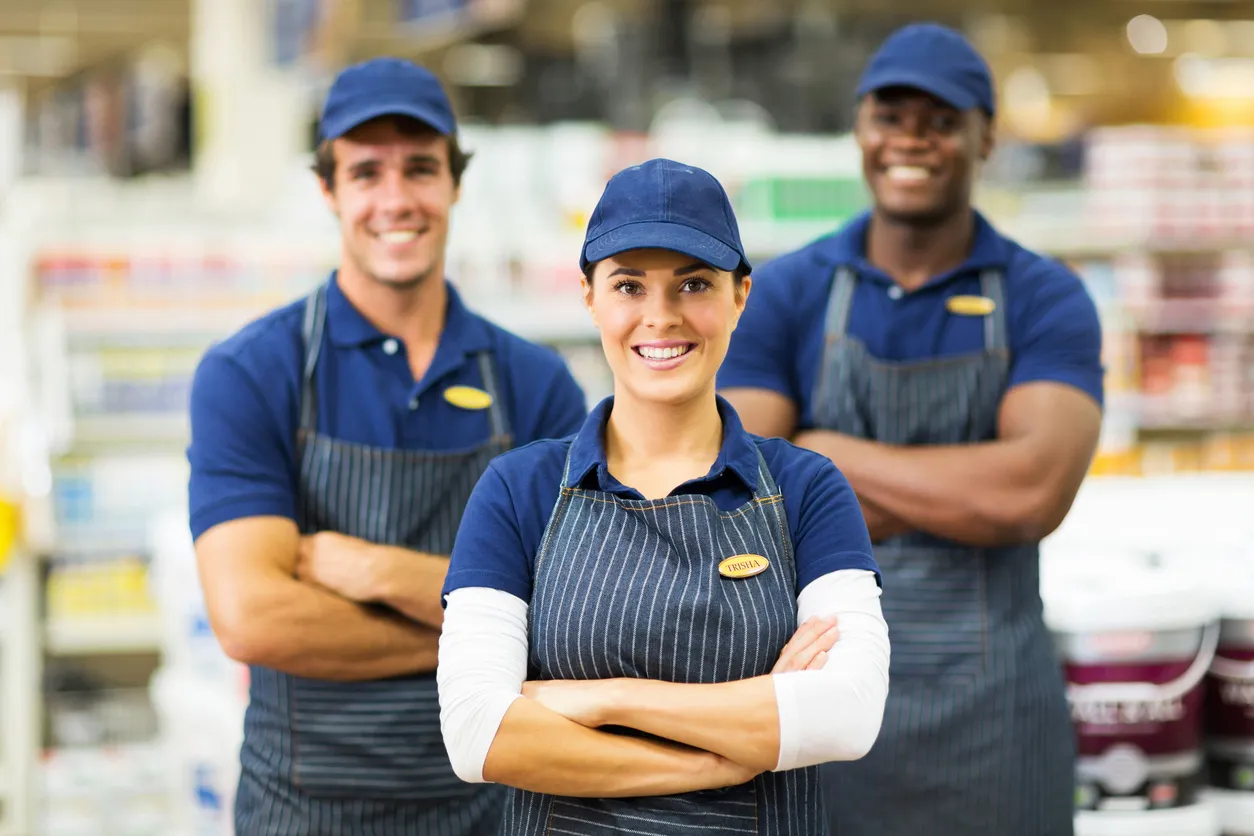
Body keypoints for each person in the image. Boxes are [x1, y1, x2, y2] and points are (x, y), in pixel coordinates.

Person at [718, 22, 1104, 836]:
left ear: (984, 136)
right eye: (891, 117)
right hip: (821, 711)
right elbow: (741, 490)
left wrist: (823, 455)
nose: (912, 140)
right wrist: (962, 491)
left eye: (941, 120)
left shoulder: (1044, 297)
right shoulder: (786, 290)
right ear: (860, 128)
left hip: (994, 723)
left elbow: (1031, 493)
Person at [187, 58, 587, 836]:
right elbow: (253, 619)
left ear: (456, 183)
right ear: (328, 190)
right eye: (366, 172)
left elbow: (574, 613)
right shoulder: (252, 373)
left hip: (498, 804)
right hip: (303, 809)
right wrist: (486, 627)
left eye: (421, 169)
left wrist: (376, 571)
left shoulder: (534, 385)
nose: (396, 199)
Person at [435, 158, 891, 836]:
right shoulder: (519, 490)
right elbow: (478, 734)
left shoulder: (806, 488)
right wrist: (732, 751)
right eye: (628, 286)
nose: (661, 317)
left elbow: (848, 713)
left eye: (694, 284)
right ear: (589, 297)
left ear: (741, 296)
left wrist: (600, 699)